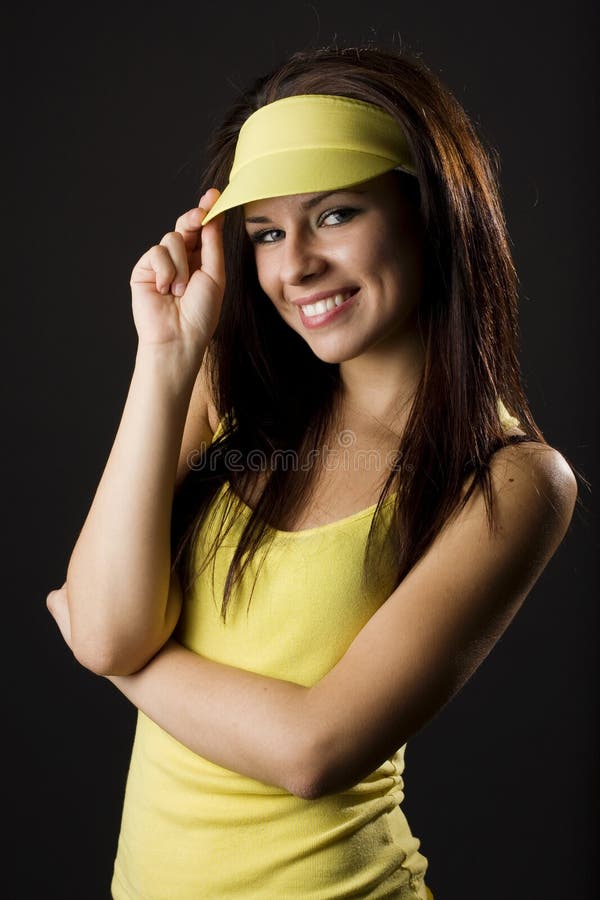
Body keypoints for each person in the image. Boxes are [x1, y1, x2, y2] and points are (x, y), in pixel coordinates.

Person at [46, 45, 579, 899]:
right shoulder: (225, 388)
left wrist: (114, 660)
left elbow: (311, 752)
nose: (295, 266)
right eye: (265, 232)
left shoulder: (511, 481)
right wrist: (165, 356)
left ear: (427, 213)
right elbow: (108, 623)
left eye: (335, 215)